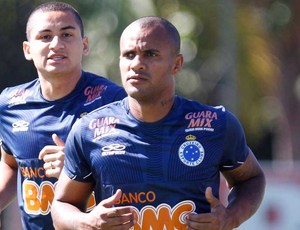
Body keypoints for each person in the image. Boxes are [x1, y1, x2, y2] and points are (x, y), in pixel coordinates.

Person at [51, 16, 266, 230]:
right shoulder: (88, 130)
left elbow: (251, 179)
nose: (137, 64)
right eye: (128, 55)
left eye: (150, 54)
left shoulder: (215, 124)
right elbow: (61, 206)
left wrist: (231, 217)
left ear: (177, 64)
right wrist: (88, 222)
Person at [0, 2, 127, 230]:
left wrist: (76, 170)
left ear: (84, 44)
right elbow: (10, 164)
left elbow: (138, 173)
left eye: (67, 34)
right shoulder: (10, 103)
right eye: (45, 36)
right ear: (28, 50)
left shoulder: (115, 101)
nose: (57, 44)